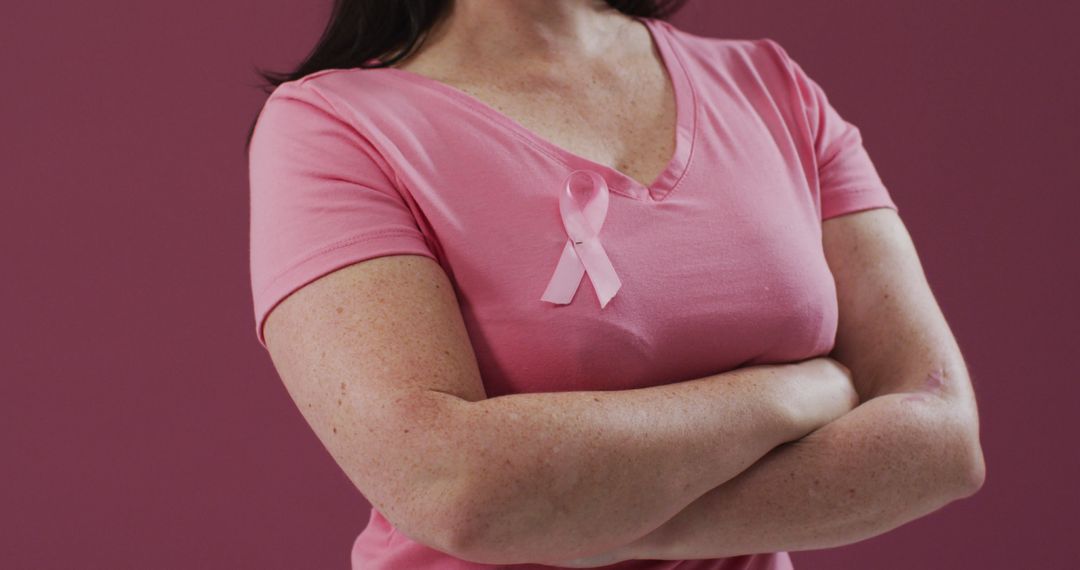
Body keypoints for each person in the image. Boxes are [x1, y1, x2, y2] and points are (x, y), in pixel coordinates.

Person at [246, 1, 985, 568]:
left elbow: (941, 437)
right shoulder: (331, 127)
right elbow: (451, 488)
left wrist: (587, 522)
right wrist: (790, 393)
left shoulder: (772, 87)